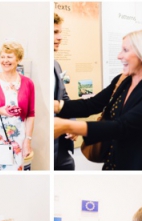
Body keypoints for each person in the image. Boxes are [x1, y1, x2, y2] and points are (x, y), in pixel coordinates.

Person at [54, 30, 142, 170]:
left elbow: (123, 126)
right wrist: (57, 106)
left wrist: (69, 126)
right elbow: (92, 105)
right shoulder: (122, 81)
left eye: (125, 50)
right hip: (113, 160)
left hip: (139, 165)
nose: (119, 56)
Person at [0, 41, 36, 170]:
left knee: (16, 175)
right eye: (3, 57)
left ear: (18, 59)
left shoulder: (28, 83)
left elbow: (30, 115)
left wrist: (27, 141)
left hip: (18, 139)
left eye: (9, 57)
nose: (5, 60)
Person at [54, 13, 75, 170]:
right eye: (55, 32)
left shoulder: (56, 65)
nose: (60, 37)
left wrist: (72, 125)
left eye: (60, 32)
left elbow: (65, 98)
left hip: (62, 143)